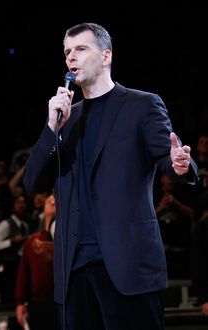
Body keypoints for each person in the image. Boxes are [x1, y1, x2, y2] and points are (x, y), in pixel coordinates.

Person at [22, 22, 199, 330]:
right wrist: (52, 128)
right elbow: (32, 182)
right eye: (67, 52)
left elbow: (169, 158)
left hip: (127, 267)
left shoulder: (142, 105)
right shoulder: (67, 118)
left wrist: (182, 166)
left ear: (106, 56)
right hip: (74, 270)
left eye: (80, 49)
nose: (71, 58)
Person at [14, 193, 57, 330]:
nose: (52, 201)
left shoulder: (72, 239)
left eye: (56, 199)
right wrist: (20, 302)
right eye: (49, 200)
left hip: (65, 302)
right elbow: (23, 273)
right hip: (38, 304)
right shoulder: (33, 240)